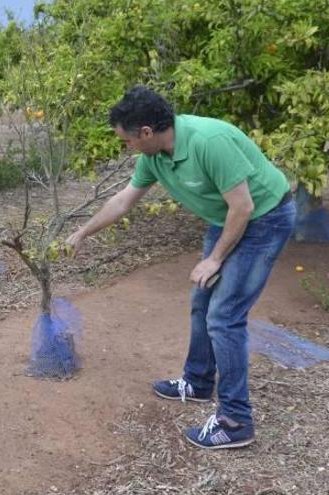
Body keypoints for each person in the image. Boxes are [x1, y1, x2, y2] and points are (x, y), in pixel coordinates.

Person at [66, 86, 296, 449]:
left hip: (265, 218)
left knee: (225, 316)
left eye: (127, 140)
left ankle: (236, 422)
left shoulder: (208, 141)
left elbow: (244, 207)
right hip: (228, 219)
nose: (127, 148)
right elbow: (124, 200)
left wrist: (215, 258)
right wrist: (82, 233)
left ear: (146, 133)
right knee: (201, 301)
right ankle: (199, 381)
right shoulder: (155, 156)